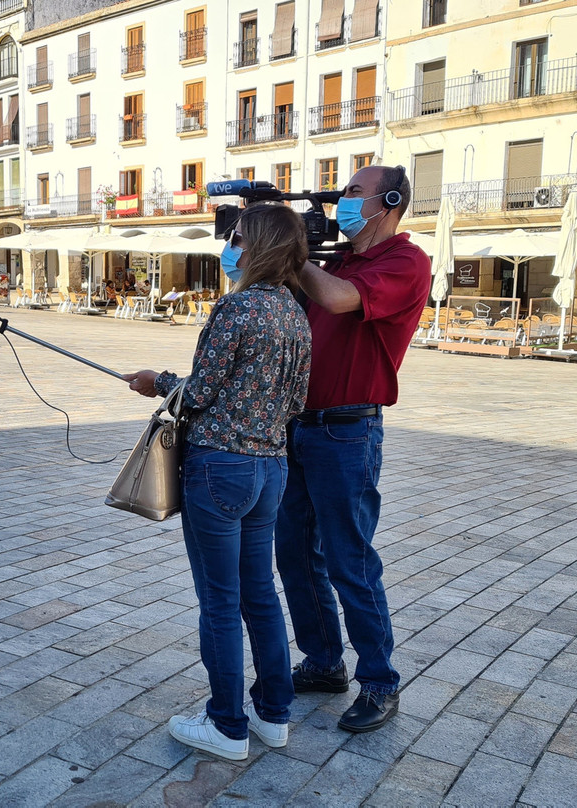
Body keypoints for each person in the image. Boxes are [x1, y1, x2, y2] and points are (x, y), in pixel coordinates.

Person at [123, 202, 312, 761]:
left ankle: (226, 724)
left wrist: (158, 381)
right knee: (261, 594)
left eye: (235, 239)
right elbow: (297, 402)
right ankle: (273, 715)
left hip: (219, 470)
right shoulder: (295, 315)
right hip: (270, 469)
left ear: (252, 247)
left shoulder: (236, 309)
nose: (229, 247)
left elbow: (199, 393)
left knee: (221, 602)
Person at [275, 164, 430, 733]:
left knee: (349, 559)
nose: (342, 202)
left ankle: (381, 682)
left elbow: (341, 301)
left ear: (388, 202)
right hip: (296, 424)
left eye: (354, 194)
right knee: (293, 553)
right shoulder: (334, 260)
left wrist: (295, 254)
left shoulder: (404, 262)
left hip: (347, 431)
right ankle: (322, 661)